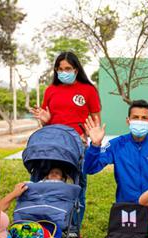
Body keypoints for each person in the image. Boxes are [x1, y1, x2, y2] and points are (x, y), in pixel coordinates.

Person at [29, 51, 101, 223]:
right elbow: (46, 119)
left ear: (76, 69)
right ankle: (45, 220)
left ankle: (74, 226)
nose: (63, 72)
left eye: (68, 68)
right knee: (46, 182)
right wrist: (45, 121)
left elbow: (96, 119)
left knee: (78, 186)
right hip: (52, 145)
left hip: (78, 145)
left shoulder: (88, 90)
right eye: (60, 69)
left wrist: (91, 137)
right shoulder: (51, 90)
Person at [83, 99, 148, 203]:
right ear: (128, 121)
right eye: (136, 117)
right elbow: (90, 168)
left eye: (144, 118)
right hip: (127, 208)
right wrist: (95, 145)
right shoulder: (116, 144)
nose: (140, 121)